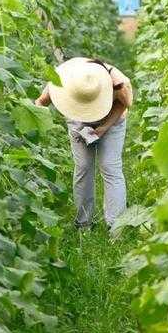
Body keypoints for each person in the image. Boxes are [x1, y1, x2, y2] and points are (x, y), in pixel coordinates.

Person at [35, 57, 133, 231]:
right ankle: (83, 223)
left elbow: (124, 105)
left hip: (111, 121)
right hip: (77, 121)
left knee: (110, 167)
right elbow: (40, 103)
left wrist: (103, 128)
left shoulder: (118, 83)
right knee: (83, 167)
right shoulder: (62, 80)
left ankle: (116, 226)